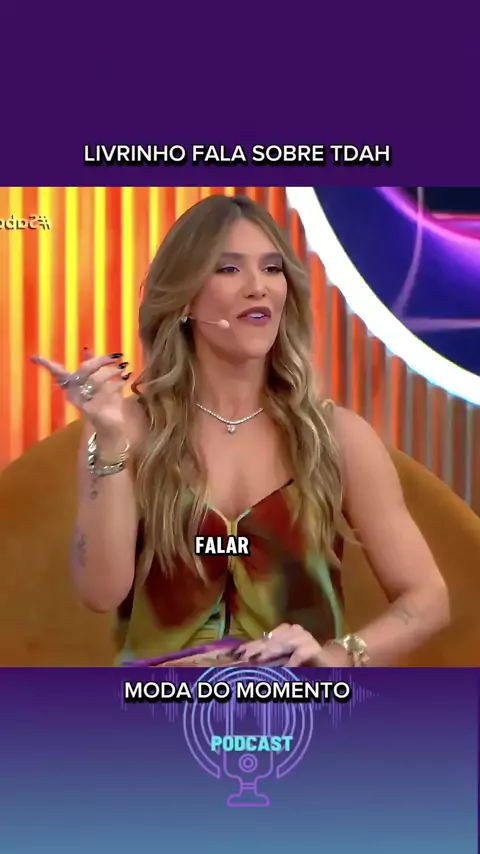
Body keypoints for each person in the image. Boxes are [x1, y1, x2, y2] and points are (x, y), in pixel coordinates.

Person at [32, 194, 449, 667]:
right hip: (157, 704)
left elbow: (427, 598)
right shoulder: (128, 429)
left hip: (299, 706)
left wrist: (337, 658)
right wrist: (109, 442)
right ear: (185, 298)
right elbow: (100, 592)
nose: (258, 287)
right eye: (229, 269)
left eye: (272, 269)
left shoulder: (337, 437)